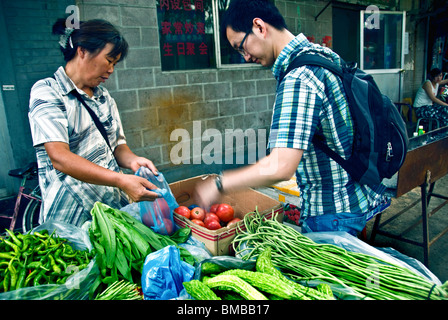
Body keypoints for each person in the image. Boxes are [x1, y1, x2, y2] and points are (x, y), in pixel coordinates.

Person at [193, 0, 385, 236]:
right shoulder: (322, 55)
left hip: (331, 213)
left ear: (259, 27)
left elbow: (281, 166)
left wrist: (219, 184)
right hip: (354, 199)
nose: (245, 57)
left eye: (241, 46)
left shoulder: (299, 78)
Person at [28, 18, 160, 228]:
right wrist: (120, 180)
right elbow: (59, 157)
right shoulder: (48, 92)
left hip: (111, 210)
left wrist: (134, 161)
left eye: (115, 64)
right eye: (109, 60)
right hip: (71, 216)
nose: (111, 70)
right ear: (82, 51)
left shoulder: (104, 97)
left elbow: (117, 146)